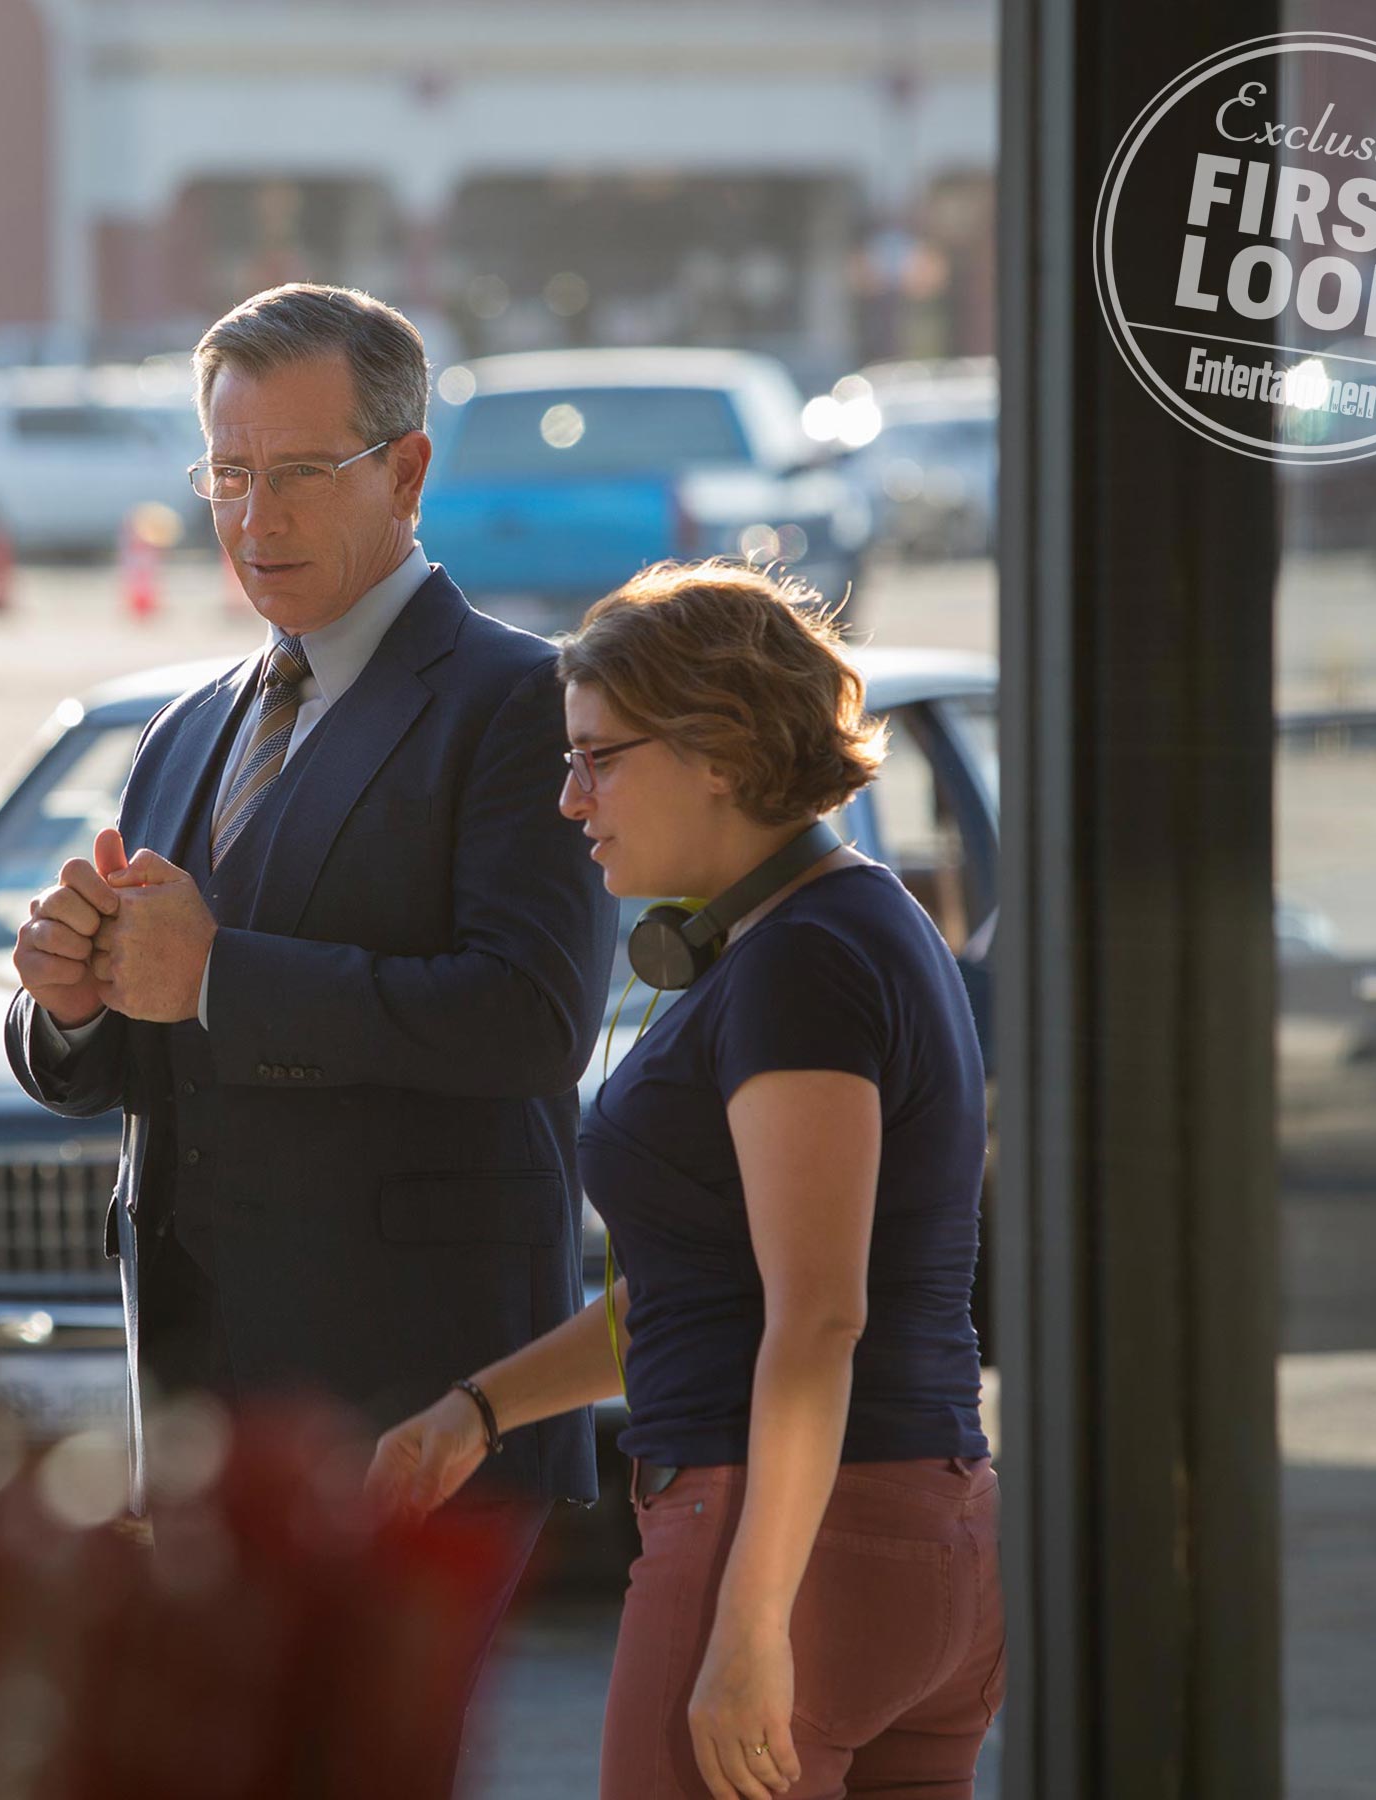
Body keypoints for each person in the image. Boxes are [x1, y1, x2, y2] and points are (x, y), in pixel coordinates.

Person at [3, 283, 613, 1637]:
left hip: (418, 1396)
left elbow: (531, 1019)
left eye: (296, 474)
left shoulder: (520, 701)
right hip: (202, 1394)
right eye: (228, 474)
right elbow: (137, 1039)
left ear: (407, 472)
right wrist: (68, 1002)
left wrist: (219, 978)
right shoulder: (187, 724)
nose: (252, 517)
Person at [367, 562, 1004, 1800]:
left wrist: (754, 1620)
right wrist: (482, 1409)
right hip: (926, 1548)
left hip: (784, 1546)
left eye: (598, 758)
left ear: (717, 749)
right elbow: (708, 1289)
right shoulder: (847, 928)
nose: (569, 799)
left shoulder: (797, 966)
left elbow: (817, 1317)